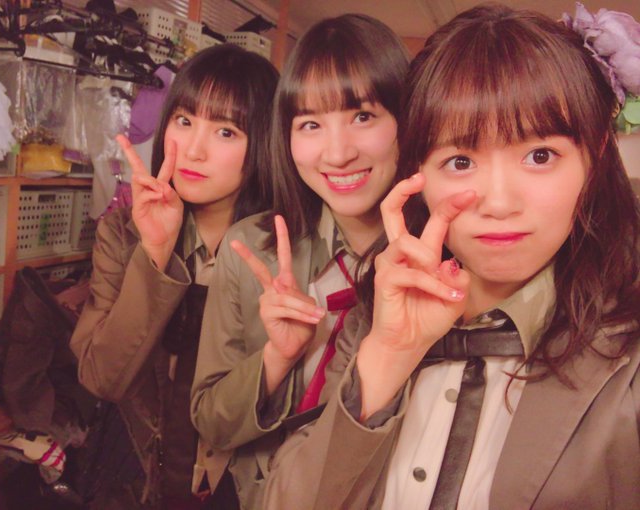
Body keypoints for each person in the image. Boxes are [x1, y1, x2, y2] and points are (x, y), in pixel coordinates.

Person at [263, 4, 640, 509]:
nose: (499, 203)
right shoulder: (376, 313)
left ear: (595, 159)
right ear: (418, 174)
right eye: (460, 161)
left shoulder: (626, 351)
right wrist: (388, 357)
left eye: (540, 156)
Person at [190, 14, 409, 510]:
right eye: (310, 124)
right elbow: (210, 422)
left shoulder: (441, 261)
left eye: (363, 116)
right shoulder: (251, 248)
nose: (337, 153)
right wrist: (277, 358)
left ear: (406, 118)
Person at [70, 44, 279, 510]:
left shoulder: (282, 253)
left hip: (238, 488)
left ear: (264, 143)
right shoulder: (123, 233)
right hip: (137, 480)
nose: (193, 150)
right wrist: (155, 254)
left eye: (225, 131)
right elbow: (102, 378)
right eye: (184, 121)